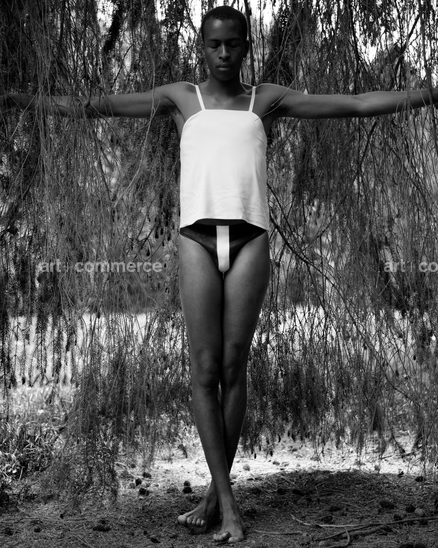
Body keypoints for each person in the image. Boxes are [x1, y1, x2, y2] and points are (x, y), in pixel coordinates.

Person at [2, 4, 438, 544]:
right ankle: (226, 503)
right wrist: (19, 98)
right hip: (196, 240)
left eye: (234, 44)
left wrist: (428, 94)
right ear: (202, 46)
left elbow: (355, 103)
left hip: (250, 239)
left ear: (246, 46)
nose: (224, 53)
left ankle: (215, 498)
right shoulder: (180, 97)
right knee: (204, 369)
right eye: (215, 44)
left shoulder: (267, 99)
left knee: (235, 365)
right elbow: (95, 106)